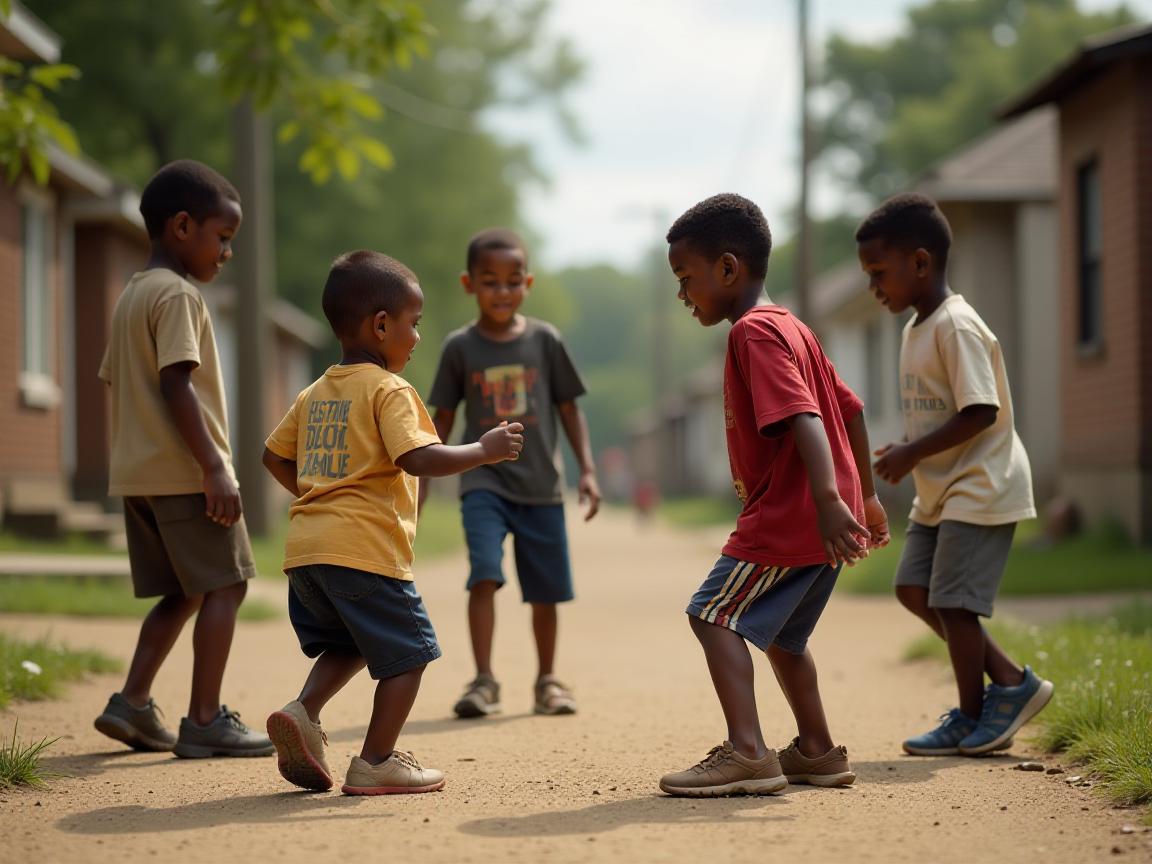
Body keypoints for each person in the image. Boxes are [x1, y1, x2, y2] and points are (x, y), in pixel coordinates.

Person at [262, 250, 523, 795]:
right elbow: (419, 458)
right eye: (415, 323)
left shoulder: (316, 391)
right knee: (409, 655)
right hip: (364, 551)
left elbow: (273, 457)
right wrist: (484, 449)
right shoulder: (389, 389)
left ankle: (303, 711)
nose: (419, 336)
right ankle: (377, 760)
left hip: (307, 554)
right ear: (382, 325)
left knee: (354, 641)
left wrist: (322, 495)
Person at [658, 194, 889, 797]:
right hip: (821, 514)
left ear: (728, 269)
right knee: (786, 639)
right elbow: (853, 410)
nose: (684, 295)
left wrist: (829, 500)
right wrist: (862, 495)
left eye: (688, 279)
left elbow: (808, 417)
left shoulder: (754, 334)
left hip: (790, 515)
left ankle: (747, 752)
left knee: (711, 614)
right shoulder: (794, 328)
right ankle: (816, 751)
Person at [858, 192, 1053, 756]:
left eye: (879, 273)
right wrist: (914, 449)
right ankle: (1013, 685)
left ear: (920, 262)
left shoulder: (957, 325)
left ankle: (973, 714)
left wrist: (913, 452)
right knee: (913, 588)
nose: (874, 287)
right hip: (939, 490)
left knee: (953, 603)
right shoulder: (914, 327)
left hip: (982, 483)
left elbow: (981, 410)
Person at [93, 160, 273, 758]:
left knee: (185, 592)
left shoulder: (132, 296)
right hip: (185, 474)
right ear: (181, 227)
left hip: (140, 476)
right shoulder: (177, 295)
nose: (225, 253)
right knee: (228, 585)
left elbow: (118, 382)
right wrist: (215, 466)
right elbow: (177, 384)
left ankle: (133, 704)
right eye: (222, 238)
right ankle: (203, 719)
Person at [424, 228, 600, 719]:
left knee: (545, 591)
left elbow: (569, 408)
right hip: (484, 482)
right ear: (469, 284)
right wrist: (420, 482)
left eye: (512, 281)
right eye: (490, 282)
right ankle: (484, 680)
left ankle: (547, 680)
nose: (502, 291)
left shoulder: (545, 340)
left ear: (528, 283)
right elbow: (439, 419)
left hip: (542, 486)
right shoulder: (460, 347)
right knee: (483, 574)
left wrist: (587, 469)